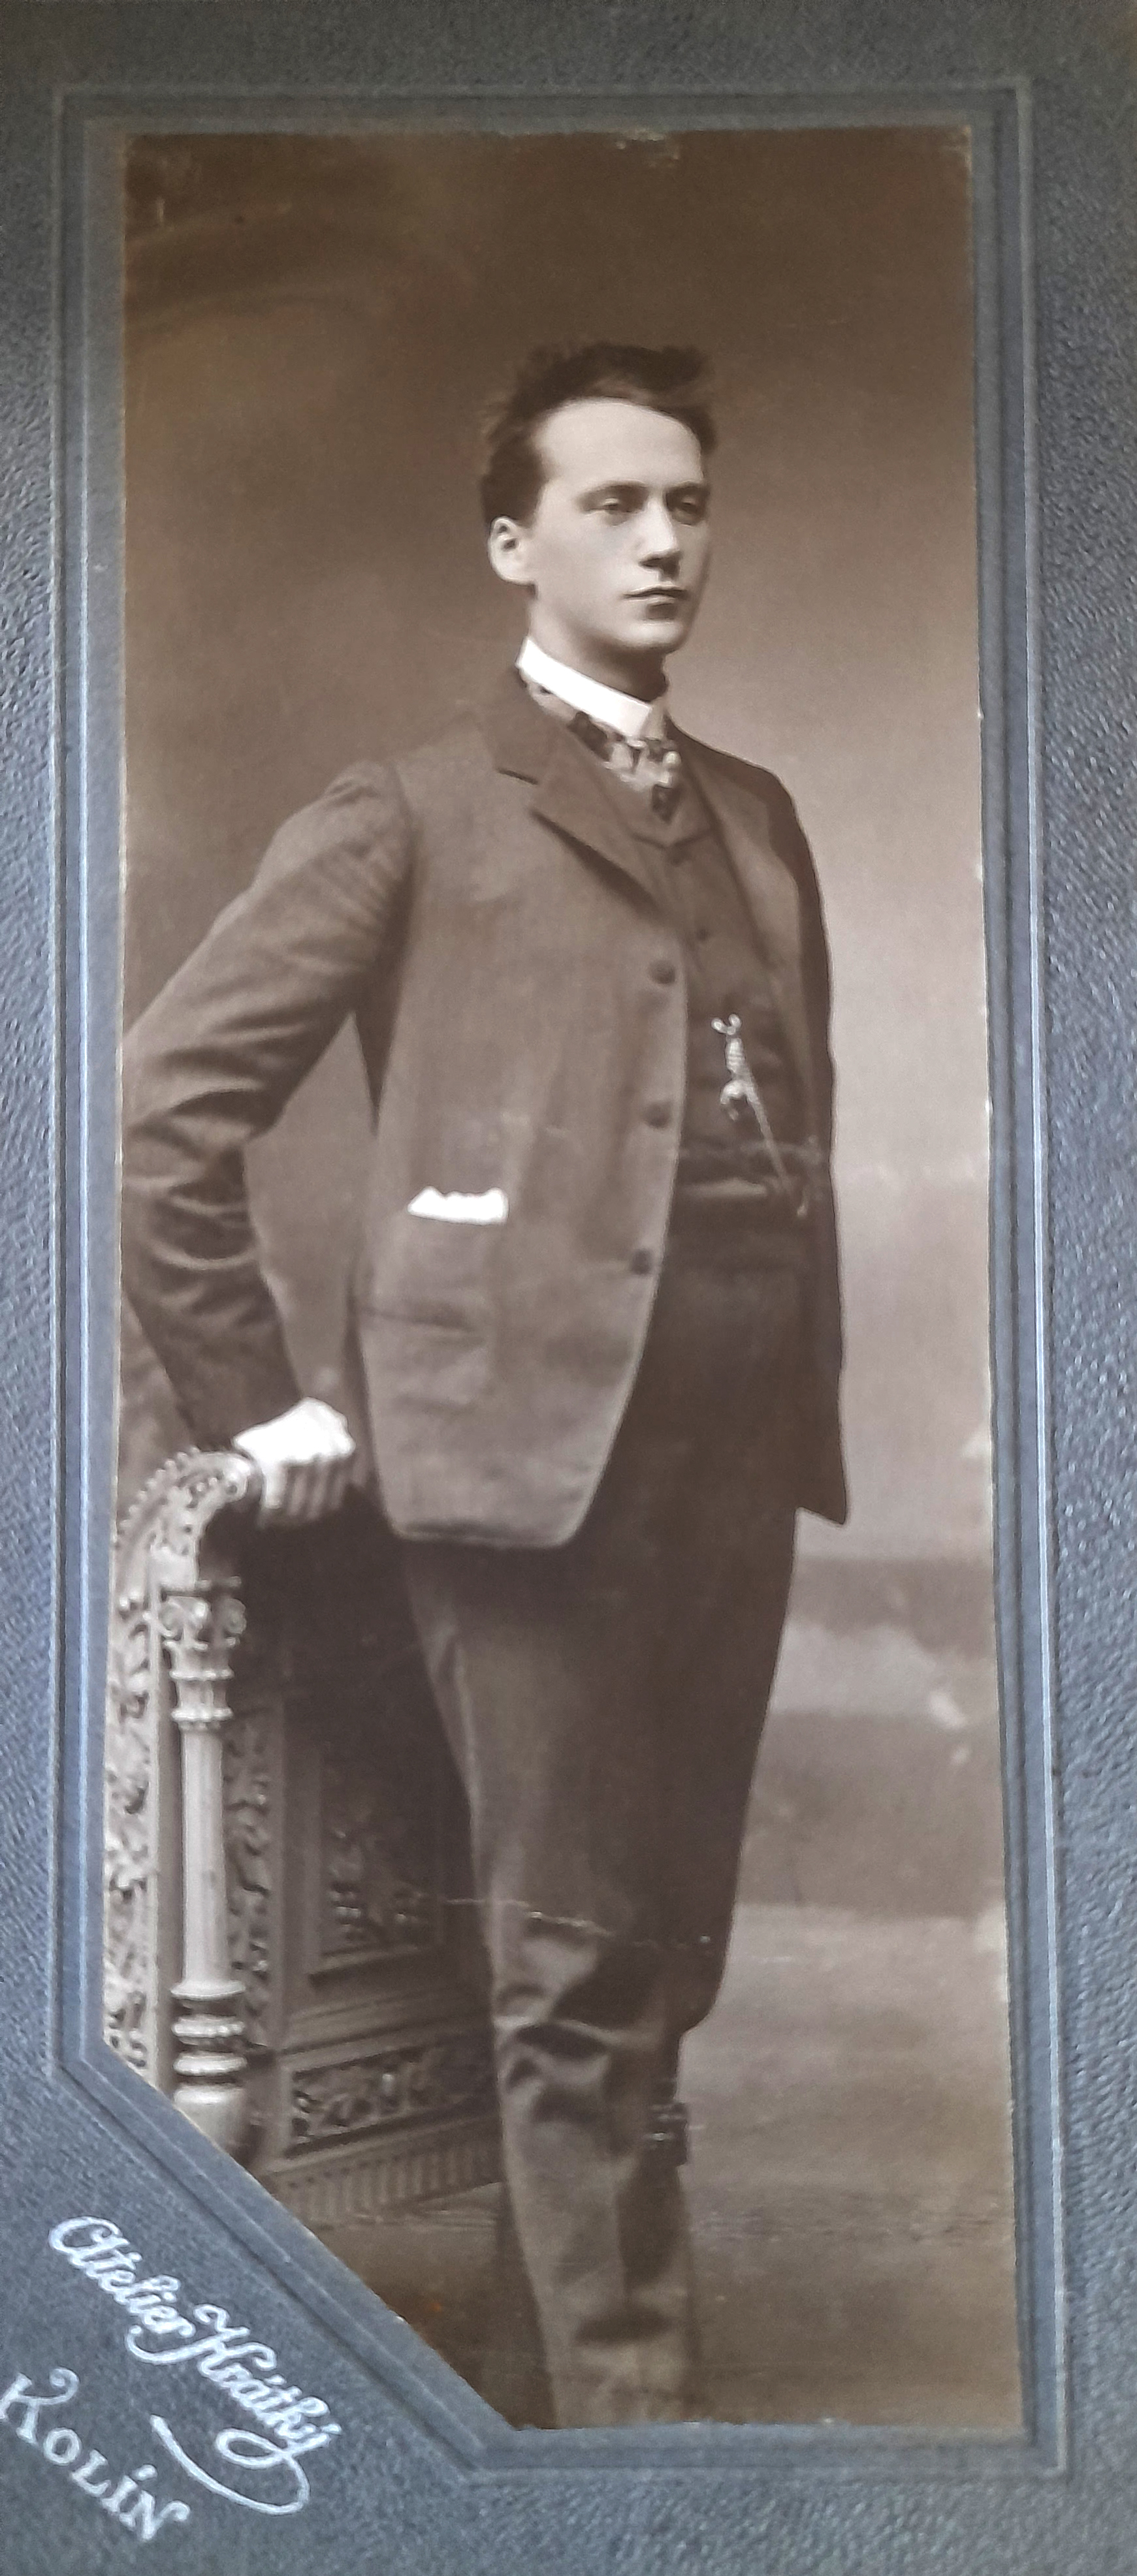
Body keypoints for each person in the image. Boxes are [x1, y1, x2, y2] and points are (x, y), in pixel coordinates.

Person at [121, 341, 847, 2429]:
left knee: (661, 1961)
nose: (663, 539)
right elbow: (164, 1106)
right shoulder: (415, 806)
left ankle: (550, 2415)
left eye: (687, 502)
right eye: (614, 505)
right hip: (517, 1473)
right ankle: (634, 2464)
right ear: (516, 545)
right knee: (572, 1970)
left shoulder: (760, 815)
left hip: (730, 1461)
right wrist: (259, 1399)